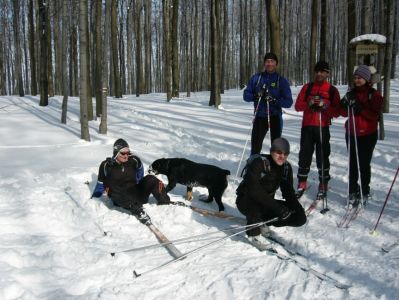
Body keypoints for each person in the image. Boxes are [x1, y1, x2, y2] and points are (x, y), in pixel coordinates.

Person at [236, 137, 306, 250]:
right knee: (255, 199)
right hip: (246, 202)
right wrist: (277, 208)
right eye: (279, 152)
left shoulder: (286, 168)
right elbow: (253, 190)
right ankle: (253, 234)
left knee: (299, 218)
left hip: (266, 204)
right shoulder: (259, 163)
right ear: (272, 151)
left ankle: (263, 223)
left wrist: (297, 210)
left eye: (285, 154)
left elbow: (288, 192)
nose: (282, 156)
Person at [92, 138, 171, 224]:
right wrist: (94, 199)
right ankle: (137, 210)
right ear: (116, 152)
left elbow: (140, 171)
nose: (126, 155)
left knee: (150, 178)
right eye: (123, 153)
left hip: (136, 194)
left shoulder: (134, 160)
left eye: (128, 152)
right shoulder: (106, 165)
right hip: (120, 199)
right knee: (111, 188)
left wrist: (140, 183)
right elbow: (100, 184)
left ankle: (164, 201)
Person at [295, 61, 341, 199]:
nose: (319, 74)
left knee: (323, 155)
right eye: (317, 71)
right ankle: (302, 182)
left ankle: (323, 184)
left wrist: (326, 106)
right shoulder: (307, 88)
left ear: (327, 73)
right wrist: (308, 104)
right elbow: (297, 106)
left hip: (323, 127)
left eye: (322, 71)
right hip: (308, 127)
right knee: (305, 155)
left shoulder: (332, 90)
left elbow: (337, 111)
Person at [339, 65, 383, 205]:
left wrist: (360, 108)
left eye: (360, 78)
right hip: (352, 133)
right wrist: (344, 104)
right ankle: (352, 190)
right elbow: (343, 112)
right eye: (356, 77)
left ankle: (365, 190)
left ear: (367, 79)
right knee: (352, 164)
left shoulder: (374, 95)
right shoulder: (351, 93)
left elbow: (374, 115)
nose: (357, 80)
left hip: (368, 134)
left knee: (363, 164)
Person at [243, 52, 293, 155]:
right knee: (255, 146)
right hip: (260, 116)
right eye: (267, 61)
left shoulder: (281, 80)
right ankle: (254, 166)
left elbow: (288, 102)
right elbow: (246, 96)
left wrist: (274, 100)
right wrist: (256, 96)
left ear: (276, 64)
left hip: (275, 116)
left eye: (272, 61)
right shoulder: (257, 78)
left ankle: (276, 168)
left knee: (276, 147)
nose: (269, 64)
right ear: (264, 63)